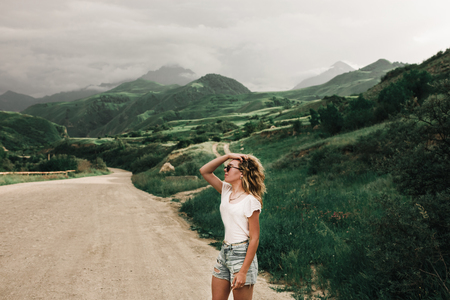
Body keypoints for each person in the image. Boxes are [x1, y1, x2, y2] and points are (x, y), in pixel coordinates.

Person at [199, 153, 266, 300]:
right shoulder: (226, 191)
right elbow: (204, 171)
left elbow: (254, 239)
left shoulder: (250, 201)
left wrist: (243, 271)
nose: (225, 170)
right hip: (224, 252)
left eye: (229, 167)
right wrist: (227, 156)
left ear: (242, 173)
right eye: (225, 167)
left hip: (242, 254)